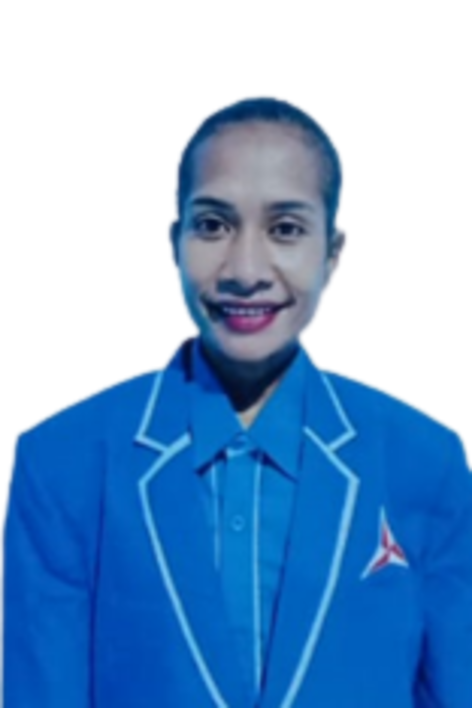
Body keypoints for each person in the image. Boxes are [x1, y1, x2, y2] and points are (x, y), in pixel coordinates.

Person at [4, 97, 472, 708]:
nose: (246, 269)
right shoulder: (63, 465)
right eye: (213, 225)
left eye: (286, 229)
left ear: (331, 253)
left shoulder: (424, 462)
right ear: (175, 242)